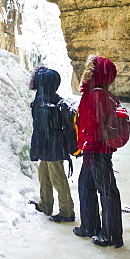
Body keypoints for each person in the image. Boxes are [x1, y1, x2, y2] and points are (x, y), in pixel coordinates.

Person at [71, 55, 124, 248]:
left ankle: (110, 234)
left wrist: (89, 148)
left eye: (91, 69)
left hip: (97, 151)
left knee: (106, 191)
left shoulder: (97, 96)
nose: (86, 72)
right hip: (94, 151)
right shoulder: (95, 93)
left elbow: (94, 125)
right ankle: (90, 226)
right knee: (87, 187)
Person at [28, 67, 76, 223]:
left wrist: (36, 150)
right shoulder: (53, 98)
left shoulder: (42, 103)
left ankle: (67, 211)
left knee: (57, 178)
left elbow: (40, 131)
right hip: (55, 144)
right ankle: (45, 205)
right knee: (44, 175)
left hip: (51, 146)